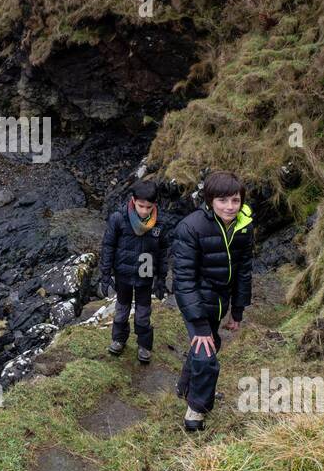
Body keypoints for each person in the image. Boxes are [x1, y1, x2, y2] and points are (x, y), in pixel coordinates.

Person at [172, 170, 254, 431]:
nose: (230, 207)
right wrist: (198, 324)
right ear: (209, 200)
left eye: (235, 200)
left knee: (211, 344)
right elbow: (183, 280)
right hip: (194, 301)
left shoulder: (243, 226)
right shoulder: (190, 227)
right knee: (206, 354)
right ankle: (196, 412)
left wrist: (237, 310)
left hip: (219, 301)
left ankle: (185, 387)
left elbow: (243, 270)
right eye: (222, 201)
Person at [99, 179, 168, 364]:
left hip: (146, 275)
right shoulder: (118, 218)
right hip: (123, 273)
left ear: (155, 204)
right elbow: (108, 246)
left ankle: (144, 345)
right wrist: (105, 275)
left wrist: (161, 278)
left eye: (148, 206)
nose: (144, 210)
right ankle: (119, 339)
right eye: (140, 206)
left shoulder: (160, 223)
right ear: (133, 200)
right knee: (122, 309)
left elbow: (163, 252)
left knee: (143, 311)